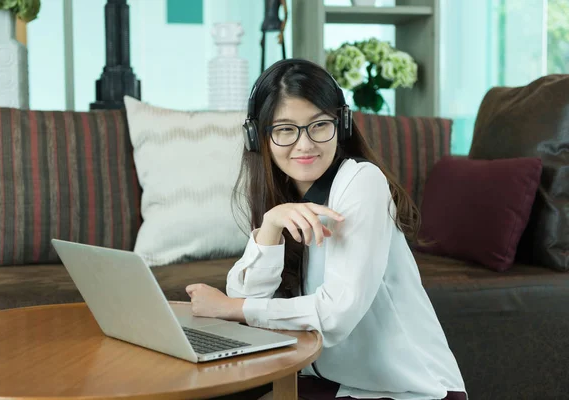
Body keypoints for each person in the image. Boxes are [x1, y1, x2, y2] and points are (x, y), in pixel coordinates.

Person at [185, 58, 467, 400]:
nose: (305, 145)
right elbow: (247, 296)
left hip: (412, 392)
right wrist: (271, 225)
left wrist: (232, 309)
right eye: (285, 129)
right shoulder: (284, 197)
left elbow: (337, 314)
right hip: (335, 383)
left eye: (318, 125)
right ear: (259, 138)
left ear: (341, 124)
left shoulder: (362, 182)